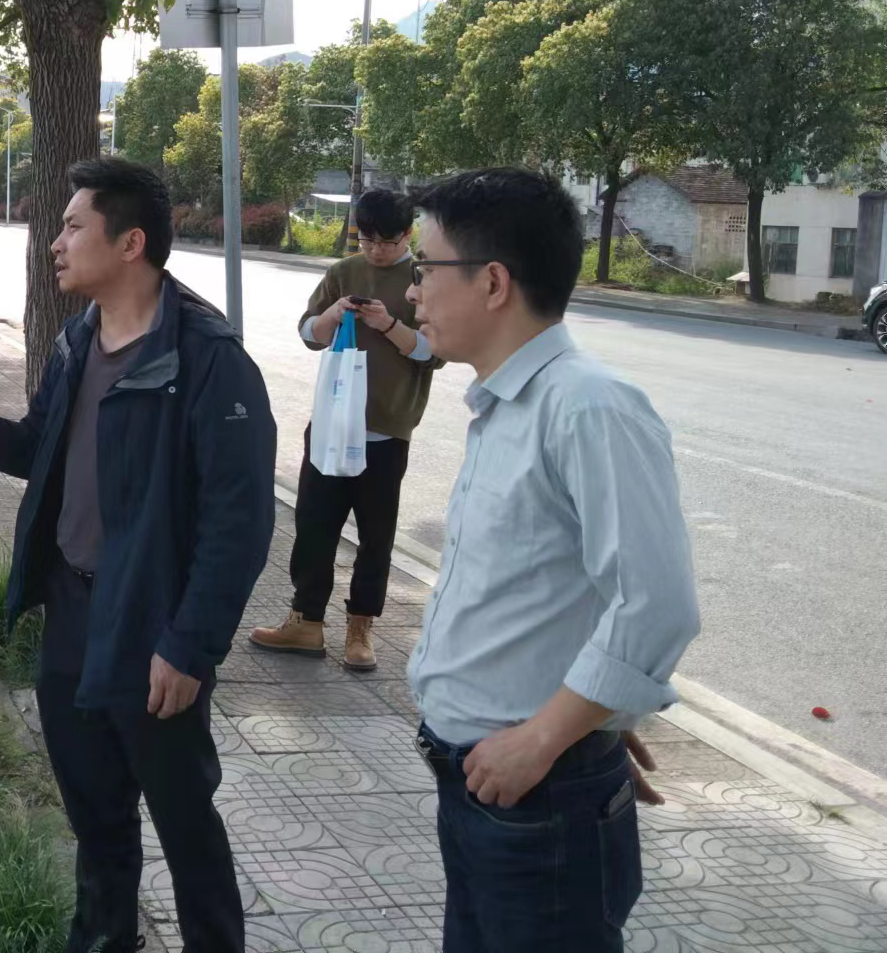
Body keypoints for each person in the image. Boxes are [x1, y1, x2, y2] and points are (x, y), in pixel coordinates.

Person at [0, 157, 276, 953]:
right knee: (96, 817)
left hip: (153, 625)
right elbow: (40, 446)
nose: (56, 242)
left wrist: (190, 644)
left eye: (73, 226)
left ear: (130, 242)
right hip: (72, 612)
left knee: (184, 823)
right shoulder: (79, 338)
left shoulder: (206, 358)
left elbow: (238, 524)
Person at [404, 168, 699, 953]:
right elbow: (552, 595)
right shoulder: (507, 404)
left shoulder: (588, 405)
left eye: (426, 268)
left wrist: (549, 736)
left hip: (537, 799)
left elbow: (656, 603)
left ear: (493, 281)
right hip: (493, 787)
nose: (413, 292)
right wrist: (590, 717)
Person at [251, 189, 440, 671]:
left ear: (408, 234)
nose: (375, 250)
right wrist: (332, 315)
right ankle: (306, 621)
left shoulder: (422, 279)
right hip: (332, 424)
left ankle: (360, 628)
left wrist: (389, 324)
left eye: (386, 241)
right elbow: (307, 333)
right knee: (314, 526)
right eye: (367, 239)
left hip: (386, 429)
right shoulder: (343, 272)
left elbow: (433, 353)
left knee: (376, 536)